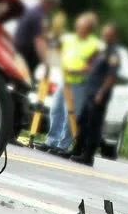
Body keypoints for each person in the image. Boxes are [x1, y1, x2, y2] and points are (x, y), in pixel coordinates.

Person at [43, 12, 103, 156]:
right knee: (56, 110)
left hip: (79, 84)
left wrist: (77, 71)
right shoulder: (69, 38)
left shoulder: (94, 45)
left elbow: (93, 66)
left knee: (71, 115)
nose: (79, 29)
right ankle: (51, 142)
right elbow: (55, 47)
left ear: (89, 29)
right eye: (78, 26)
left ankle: (63, 146)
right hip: (65, 80)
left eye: (82, 27)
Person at [69, 23, 122, 167]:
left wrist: (101, 93)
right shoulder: (102, 50)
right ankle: (77, 150)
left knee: (93, 125)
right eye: (103, 34)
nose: (104, 37)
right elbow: (91, 68)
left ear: (114, 37)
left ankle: (87, 156)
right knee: (83, 122)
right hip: (90, 92)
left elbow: (111, 77)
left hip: (98, 95)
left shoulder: (113, 54)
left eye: (107, 35)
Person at [12, 0, 60, 73]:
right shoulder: (39, 16)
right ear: (49, 4)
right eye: (53, 6)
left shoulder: (32, 11)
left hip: (18, 52)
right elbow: (39, 41)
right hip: (26, 56)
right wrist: (46, 62)